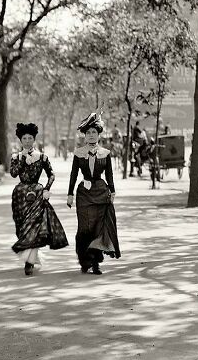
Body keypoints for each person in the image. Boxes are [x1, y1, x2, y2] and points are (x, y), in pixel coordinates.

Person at [10, 123, 68, 275]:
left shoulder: (42, 157)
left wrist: (47, 188)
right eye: (25, 138)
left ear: (34, 139)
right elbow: (14, 174)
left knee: (34, 226)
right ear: (20, 140)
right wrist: (23, 159)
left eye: (30, 138)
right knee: (21, 227)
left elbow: (52, 174)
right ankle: (31, 256)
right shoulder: (15, 157)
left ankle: (29, 262)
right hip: (19, 195)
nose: (28, 141)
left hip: (37, 194)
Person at [67, 112, 120, 275]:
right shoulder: (78, 153)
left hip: (100, 191)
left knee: (98, 228)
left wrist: (112, 190)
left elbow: (109, 174)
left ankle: (96, 262)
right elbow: (74, 174)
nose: (91, 135)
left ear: (98, 135)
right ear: (85, 135)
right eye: (88, 133)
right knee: (85, 227)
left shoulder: (105, 153)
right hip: (84, 193)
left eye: (94, 133)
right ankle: (84, 261)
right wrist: (70, 194)